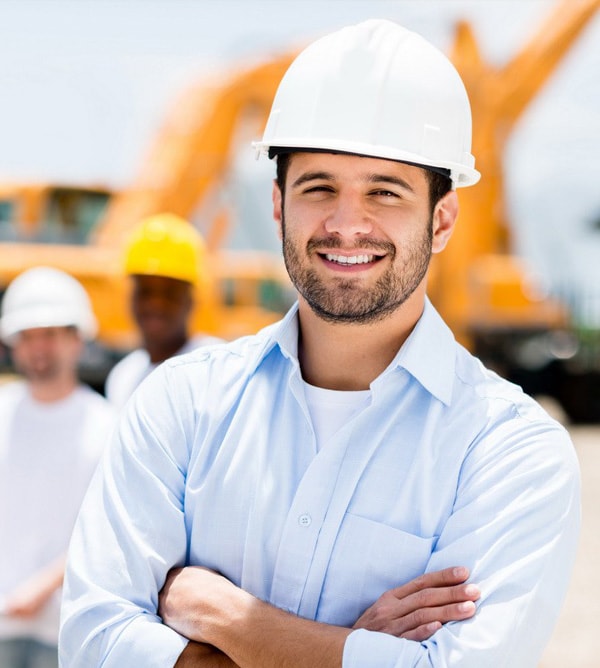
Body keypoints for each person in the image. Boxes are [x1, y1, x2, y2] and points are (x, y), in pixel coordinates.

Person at [59, 19, 580, 668]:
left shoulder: (510, 452)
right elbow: (91, 643)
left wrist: (221, 617)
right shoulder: (180, 406)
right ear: (278, 204)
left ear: (442, 220)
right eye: (319, 187)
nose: (346, 224)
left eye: (384, 192)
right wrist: (350, 649)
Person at [0, 267, 116, 668]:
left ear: (76, 338)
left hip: (65, 631)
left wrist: (40, 588)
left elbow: (104, 530)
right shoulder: (3, 413)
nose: (38, 348)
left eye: (49, 333)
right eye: (28, 336)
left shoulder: (107, 426)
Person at [104, 213, 222, 409]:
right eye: (146, 290)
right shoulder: (124, 377)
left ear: (192, 298)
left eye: (169, 292)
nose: (155, 304)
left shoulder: (215, 367)